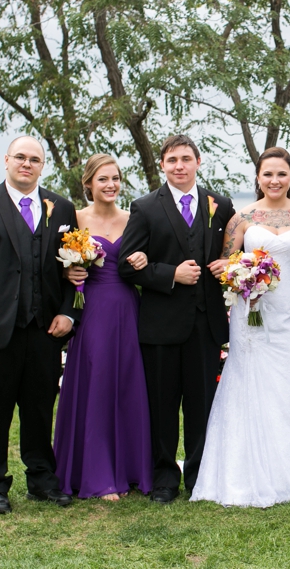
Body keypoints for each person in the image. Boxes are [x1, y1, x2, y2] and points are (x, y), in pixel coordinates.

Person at [191, 147, 290, 507]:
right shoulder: (242, 218)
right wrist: (234, 272)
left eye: (282, 174)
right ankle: (243, 471)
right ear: (257, 177)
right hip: (250, 312)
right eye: (268, 174)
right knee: (249, 381)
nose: (274, 180)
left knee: (289, 383)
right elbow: (223, 261)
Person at [0, 136, 80, 515]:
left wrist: (68, 312)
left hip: (44, 330)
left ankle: (41, 479)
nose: (27, 164)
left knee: (40, 409)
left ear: (43, 166)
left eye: (35, 159)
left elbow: (74, 269)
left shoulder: (62, 208)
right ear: (7, 160)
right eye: (21, 157)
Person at [117, 135, 235, 503]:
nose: (179, 166)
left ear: (198, 161)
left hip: (205, 323)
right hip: (162, 324)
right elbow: (125, 265)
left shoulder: (221, 204)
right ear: (163, 165)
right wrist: (169, 274)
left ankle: (200, 475)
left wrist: (228, 266)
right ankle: (165, 477)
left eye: (186, 158)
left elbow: (234, 253)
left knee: (202, 405)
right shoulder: (145, 207)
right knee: (163, 405)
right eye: (171, 160)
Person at [53, 154, 153, 501]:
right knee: (97, 385)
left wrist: (143, 261)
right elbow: (52, 264)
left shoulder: (134, 218)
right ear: (88, 184)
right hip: (93, 309)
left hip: (128, 308)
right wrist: (68, 272)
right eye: (103, 179)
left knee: (127, 384)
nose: (110, 185)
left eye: (115, 179)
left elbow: (148, 260)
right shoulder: (74, 220)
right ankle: (98, 476)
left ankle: (130, 469)